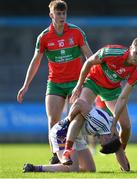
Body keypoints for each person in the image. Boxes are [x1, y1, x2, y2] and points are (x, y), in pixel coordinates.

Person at [16, 0, 93, 164]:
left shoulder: (76, 32)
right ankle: (55, 156)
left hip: (75, 82)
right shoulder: (44, 37)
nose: (61, 16)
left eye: (63, 13)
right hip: (55, 83)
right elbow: (35, 61)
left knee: (76, 119)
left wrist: (91, 80)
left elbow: (89, 57)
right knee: (53, 120)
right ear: (51, 15)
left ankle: (74, 151)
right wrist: (25, 85)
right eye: (58, 13)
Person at [62, 37, 137, 166]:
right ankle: (66, 151)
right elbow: (88, 63)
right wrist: (79, 85)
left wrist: (114, 123)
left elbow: (123, 98)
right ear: (130, 48)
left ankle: (121, 151)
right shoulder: (111, 52)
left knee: (126, 126)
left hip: (112, 90)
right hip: (93, 82)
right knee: (79, 116)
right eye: (136, 53)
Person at [23, 99, 129, 172]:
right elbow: (79, 103)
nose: (100, 142)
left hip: (77, 137)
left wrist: (126, 170)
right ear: (109, 137)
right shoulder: (100, 122)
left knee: (90, 169)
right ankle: (35, 168)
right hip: (62, 132)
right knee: (72, 169)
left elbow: (118, 150)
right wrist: (68, 119)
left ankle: (62, 165)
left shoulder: (112, 131)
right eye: (103, 143)